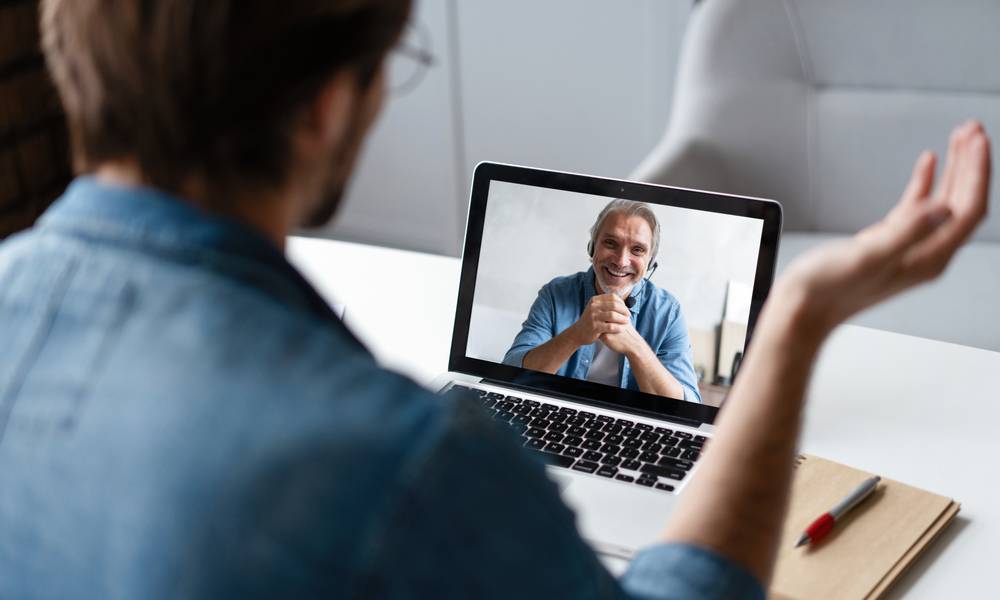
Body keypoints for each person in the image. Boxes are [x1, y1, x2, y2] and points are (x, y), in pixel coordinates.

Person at [0, 0, 989, 598]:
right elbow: (517, 374)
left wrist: (636, 352)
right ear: (325, 108)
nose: (624, 258)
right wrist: (798, 318)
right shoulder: (409, 458)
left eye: (640, 248)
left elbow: (683, 390)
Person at [503, 199, 701, 402]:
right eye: (611, 243)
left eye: (637, 250)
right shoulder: (555, 294)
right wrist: (576, 335)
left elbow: (688, 404)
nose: (621, 261)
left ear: (650, 261)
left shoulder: (669, 312)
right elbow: (509, 373)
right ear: (592, 246)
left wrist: (636, 347)